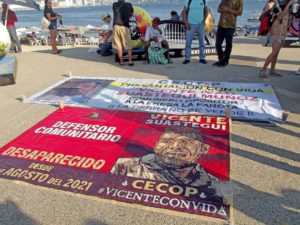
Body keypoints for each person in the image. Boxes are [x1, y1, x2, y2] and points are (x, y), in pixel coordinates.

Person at [111, 128, 218, 187]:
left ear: (204, 149)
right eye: (167, 141)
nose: (174, 147)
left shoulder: (212, 182)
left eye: (187, 142)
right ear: (156, 145)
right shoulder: (122, 167)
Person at [259, 0, 295, 77]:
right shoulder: (277, 5)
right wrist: (289, 4)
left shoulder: (289, 6)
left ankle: (272, 69)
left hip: (283, 32)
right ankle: (263, 70)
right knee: (274, 52)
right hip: (276, 32)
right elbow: (280, 16)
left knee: (276, 53)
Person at [213, 0, 243, 67]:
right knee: (217, 44)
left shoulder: (239, 1)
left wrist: (228, 10)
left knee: (228, 44)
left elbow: (240, 12)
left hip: (230, 25)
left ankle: (226, 60)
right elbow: (218, 9)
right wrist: (220, 9)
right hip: (221, 25)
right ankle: (221, 58)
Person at [182, 0, 208, 64]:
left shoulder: (204, 0)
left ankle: (202, 58)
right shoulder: (188, 0)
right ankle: (187, 58)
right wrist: (186, 23)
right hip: (190, 24)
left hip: (200, 24)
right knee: (188, 42)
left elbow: (206, 11)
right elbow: (184, 12)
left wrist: (204, 20)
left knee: (202, 42)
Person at [112, 0, 134, 66]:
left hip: (116, 26)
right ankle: (130, 61)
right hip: (125, 27)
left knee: (119, 46)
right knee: (128, 46)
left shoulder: (114, 4)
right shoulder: (129, 4)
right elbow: (131, 14)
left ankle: (122, 62)